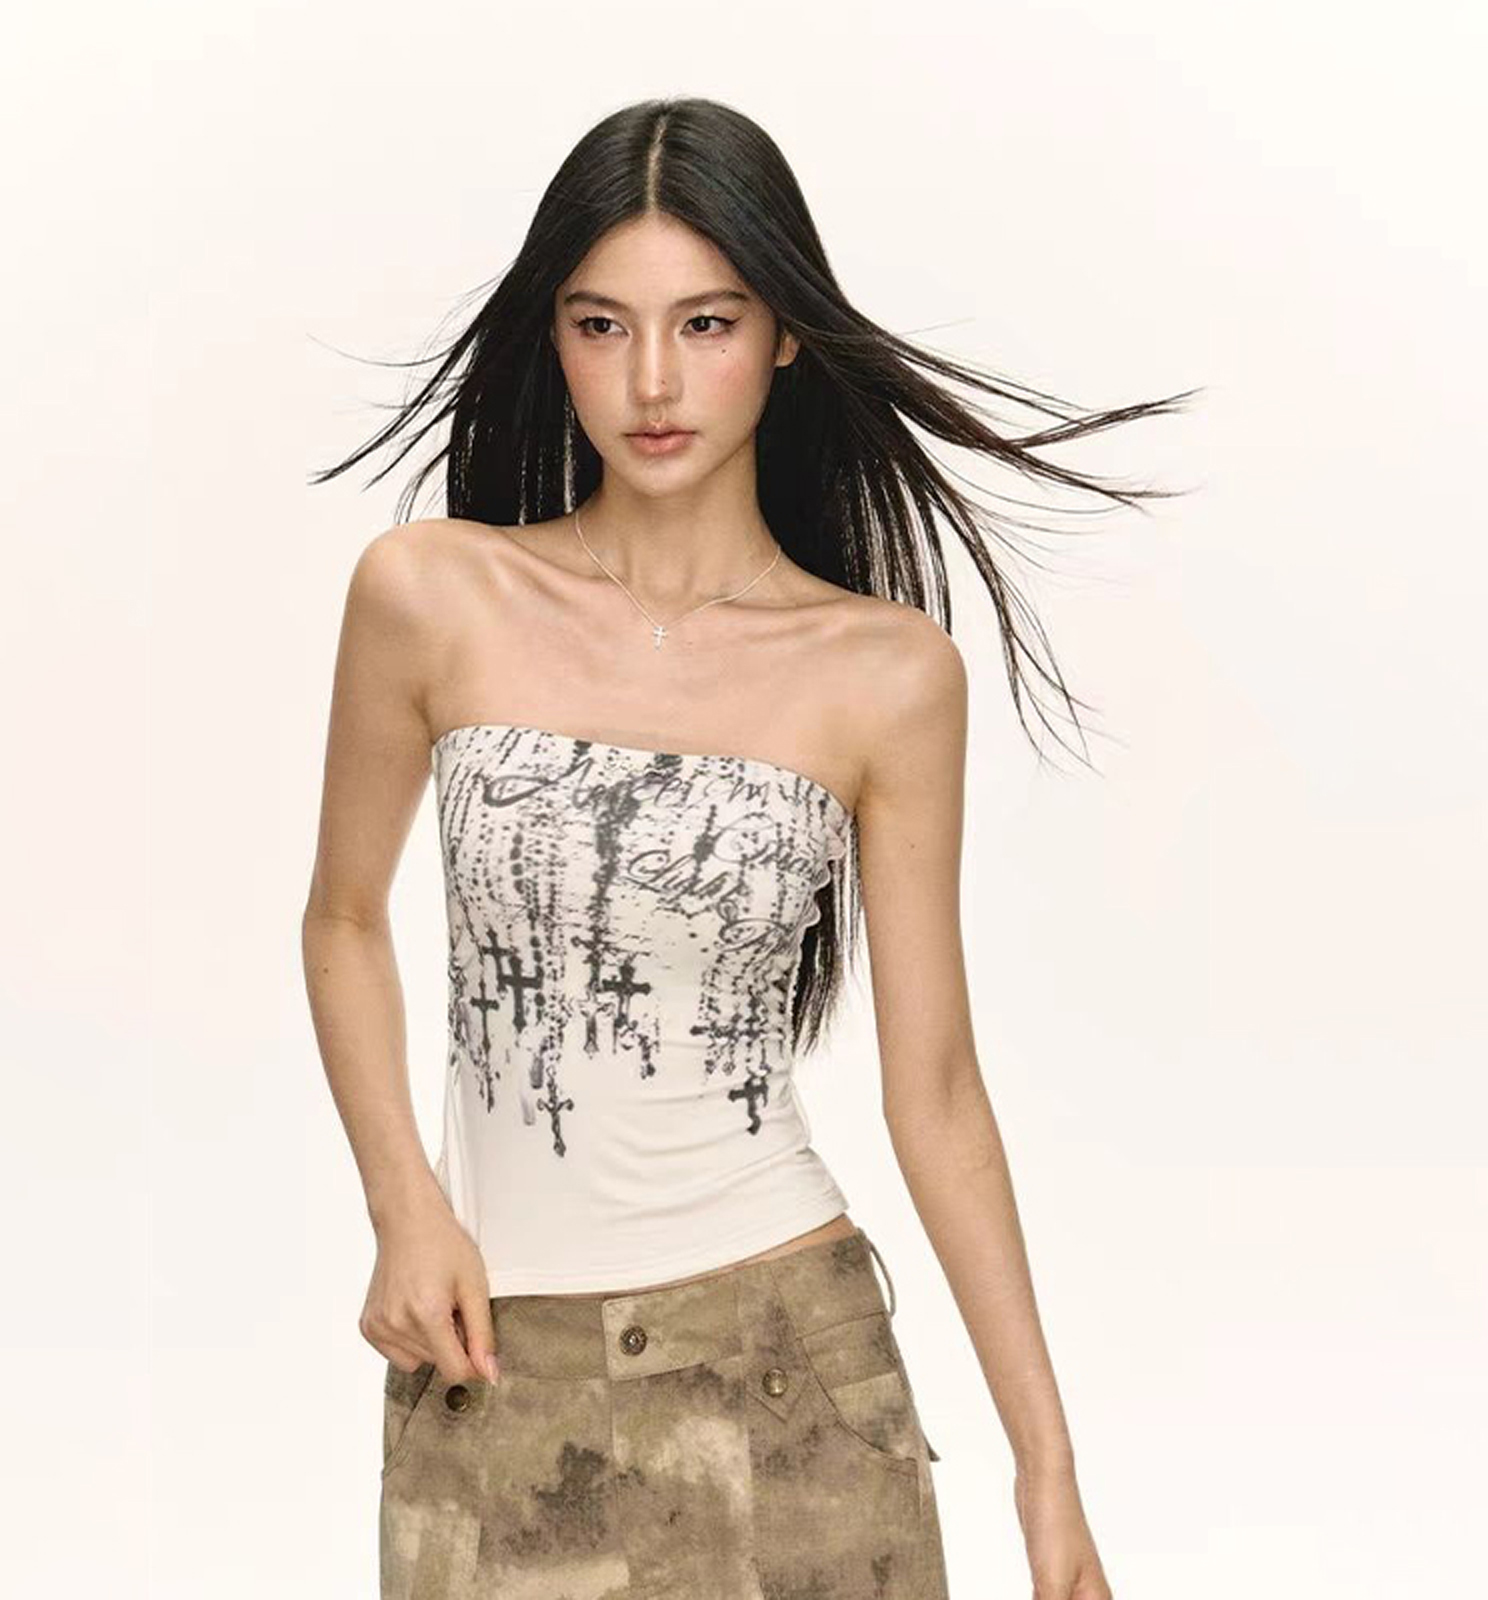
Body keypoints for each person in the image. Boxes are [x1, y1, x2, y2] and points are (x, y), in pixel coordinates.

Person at [303, 95, 1190, 1599]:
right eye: (602, 326)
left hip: (787, 1379)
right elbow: (340, 921)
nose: (652, 381)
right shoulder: (431, 596)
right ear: (553, 339)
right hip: (493, 1377)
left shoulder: (884, 676)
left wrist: (1047, 1472)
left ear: (782, 334)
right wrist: (405, 1204)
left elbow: (939, 1091)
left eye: (705, 324)